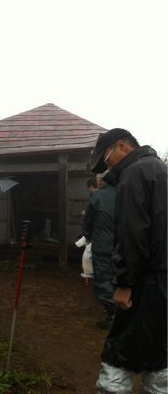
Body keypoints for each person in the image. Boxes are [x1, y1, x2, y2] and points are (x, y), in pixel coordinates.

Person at [91, 128, 167, 393]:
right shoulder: (160, 169)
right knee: (160, 350)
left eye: (106, 157)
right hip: (164, 279)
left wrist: (124, 283)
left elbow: (133, 233)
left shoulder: (134, 173)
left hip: (146, 279)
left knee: (119, 351)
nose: (106, 165)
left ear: (121, 146)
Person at [83, 171, 116, 329]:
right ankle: (115, 312)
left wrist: (88, 236)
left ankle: (113, 314)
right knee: (118, 278)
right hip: (121, 247)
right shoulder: (124, 192)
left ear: (101, 181)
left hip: (102, 246)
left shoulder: (97, 197)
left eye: (98, 180)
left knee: (103, 281)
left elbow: (88, 222)